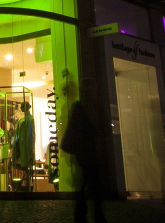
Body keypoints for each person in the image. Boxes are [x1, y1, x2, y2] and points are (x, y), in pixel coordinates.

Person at [62, 78, 107, 223]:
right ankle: (92, 215)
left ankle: (84, 216)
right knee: (90, 186)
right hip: (88, 152)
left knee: (85, 186)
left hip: (86, 153)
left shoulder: (81, 107)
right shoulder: (92, 107)